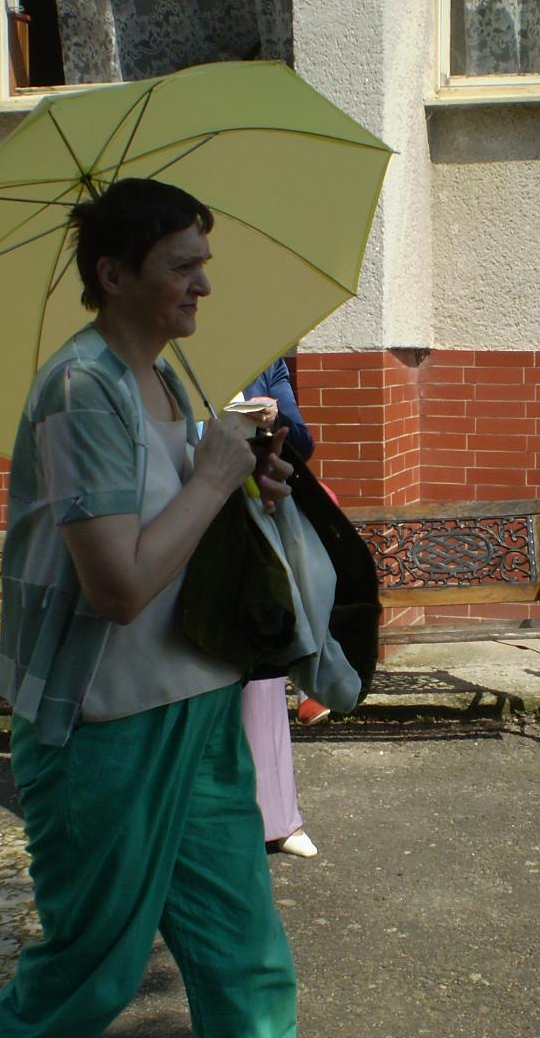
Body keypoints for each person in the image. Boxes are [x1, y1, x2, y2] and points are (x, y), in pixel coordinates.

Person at [0, 178, 298, 1036]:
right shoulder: (82, 388)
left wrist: (247, 491)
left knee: (246, 959)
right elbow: (118, 587)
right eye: (181, 266)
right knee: (91, 973)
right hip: (105, 727)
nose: (204, 284)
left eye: (204, 262)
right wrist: (212, 479)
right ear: (114, 274)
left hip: (196, 702)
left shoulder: (164, 382)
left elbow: (176, 533)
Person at [239, 358, 319, 856]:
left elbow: (303, 443)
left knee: (262, 680)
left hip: (252, 527)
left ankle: (277, 818)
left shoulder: (264, 364)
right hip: (186, 523)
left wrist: (273, 421)